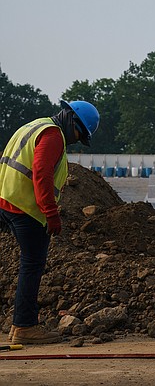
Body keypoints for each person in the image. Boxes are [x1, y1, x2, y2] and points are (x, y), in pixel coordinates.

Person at [0, 100, 100, 344]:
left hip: (6, 200)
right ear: (71, 119)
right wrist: (51, 213)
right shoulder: (53, 135)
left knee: (29, 264)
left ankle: (19, 327)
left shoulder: (34, 126)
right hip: (26, 208)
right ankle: (25, 327)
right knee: (32, 265)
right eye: (80, 133)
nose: (77, 139)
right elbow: (42, 172)